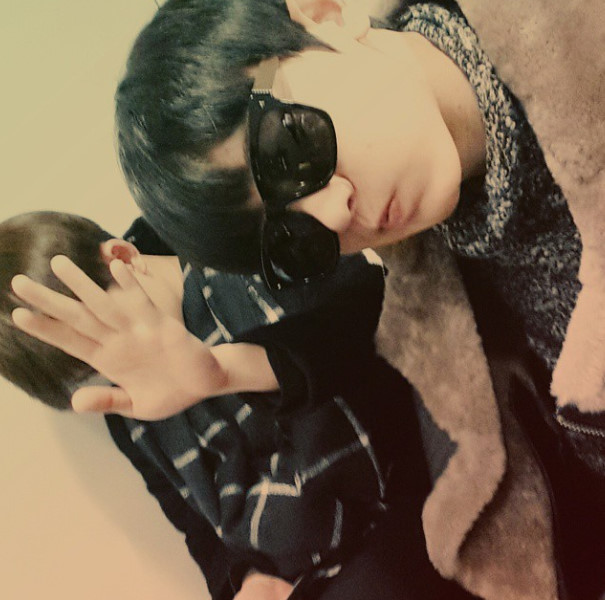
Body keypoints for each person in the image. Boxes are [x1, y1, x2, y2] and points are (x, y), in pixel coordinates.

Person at [107, 1, 604, 599]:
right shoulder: (448, 285)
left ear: (325, 17)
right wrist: (220, 373)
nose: (332, 214)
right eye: (292, 240)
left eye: (290, 148)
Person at [2, 211, 475, 599]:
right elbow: (199, 531)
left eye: (104, 340)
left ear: (124, 259)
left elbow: (373, 323)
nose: (120, 374)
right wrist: (246, 580)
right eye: (96, 374)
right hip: (305, 568)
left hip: (408, 471)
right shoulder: (128, 414)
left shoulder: (236, 252)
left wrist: (226, 371)